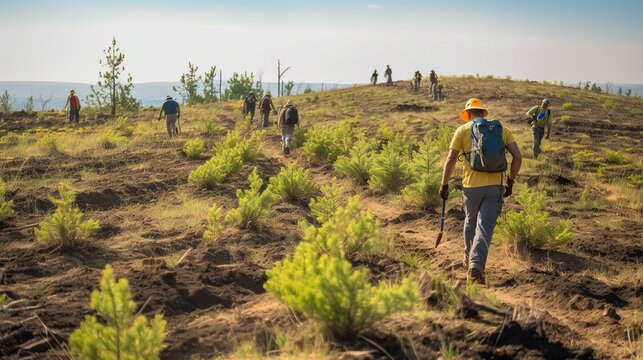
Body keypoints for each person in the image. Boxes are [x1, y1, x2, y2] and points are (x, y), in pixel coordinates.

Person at [439, 98, 522, 284]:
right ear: (483, 113)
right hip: (496, 187)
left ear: (468, 114)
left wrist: (444, 184)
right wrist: (510, 180)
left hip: (471, 186)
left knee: (470, 222)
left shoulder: (462, 130)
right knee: (484, 226)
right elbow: (518, 157)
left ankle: (469, 260)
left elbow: (451, 160)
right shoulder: (502, 130)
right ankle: (476, 266)